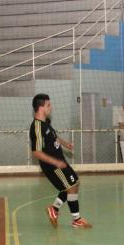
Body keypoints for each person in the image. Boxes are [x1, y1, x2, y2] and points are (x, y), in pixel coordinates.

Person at [29, 93, 92, 229]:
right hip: (53, 165)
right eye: (48, 105)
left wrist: (65, 144)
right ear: (41, 108)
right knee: (71, 186)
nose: (51, 107)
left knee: (74, 183)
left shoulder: (45, 124)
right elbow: (36, 152)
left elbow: (54, 137)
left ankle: (54, 209)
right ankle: (76, 219)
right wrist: (55, 162)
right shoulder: (37, 127)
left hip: (59, 161)